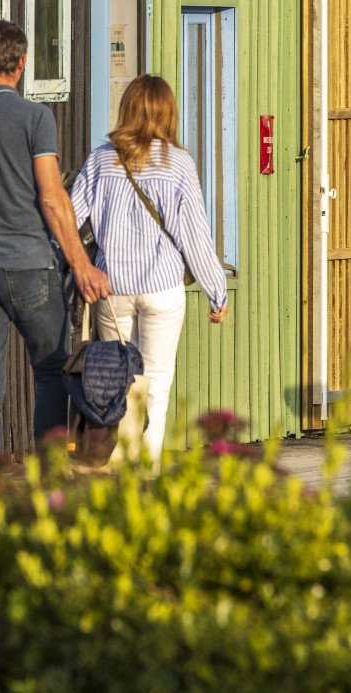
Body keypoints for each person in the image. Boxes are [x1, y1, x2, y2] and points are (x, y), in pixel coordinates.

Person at [0, 19, 111, 461]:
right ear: (22, 63)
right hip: (30, 263)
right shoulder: (36, 118)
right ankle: (49, 476)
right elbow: (52, 197)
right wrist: (82, 264)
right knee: (50, 370)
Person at [69, 75, 228, 461]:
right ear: (168, 113)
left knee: (117, 385)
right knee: (155, 386)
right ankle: (146, 478)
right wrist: (216, 291)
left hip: (113, 289)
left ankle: (118, 473)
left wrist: (79, 266)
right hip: (161, 290)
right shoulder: (178, 163)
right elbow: (195, 235)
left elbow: (69, 216)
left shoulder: (101, 159)